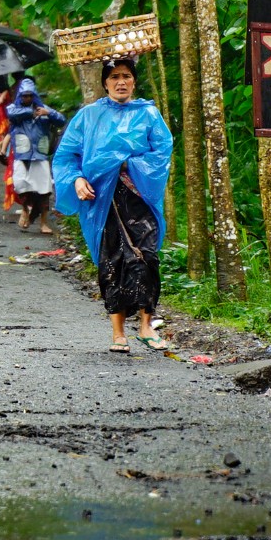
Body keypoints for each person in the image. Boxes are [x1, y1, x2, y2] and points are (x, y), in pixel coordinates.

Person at [53, 56, 173, 354]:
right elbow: (67, 156)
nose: (121, 82)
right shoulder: (88, 116)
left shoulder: (148, 114)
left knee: (146, 257)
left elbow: (161, 153)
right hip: (101, 201)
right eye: (115, 76)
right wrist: (77, 180)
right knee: (112, 261)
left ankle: (146, 326)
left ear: (134, 81)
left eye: (127, 76)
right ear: (105, 82)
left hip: (138, 196)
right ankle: (118, 333)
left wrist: (127, 165)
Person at [6, 77, 64, 234]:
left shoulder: (44, 109)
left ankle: (43, 222)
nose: (27, 98)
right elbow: (11, 114)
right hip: (22, 153)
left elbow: (61, 120)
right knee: (21, 186)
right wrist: (31, 112)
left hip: (40, 154)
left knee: (44, 189)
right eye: (24, 95)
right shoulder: (14, 109)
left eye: (30, 95)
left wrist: (49, 112)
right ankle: (26, 209)